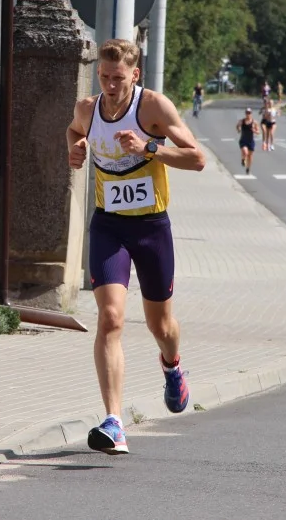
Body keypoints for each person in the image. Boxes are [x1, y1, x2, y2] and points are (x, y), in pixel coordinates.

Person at [67, 39, 206, 455]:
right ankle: (114, 421)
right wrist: (74, 149)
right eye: (104, 78)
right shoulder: (87, 109)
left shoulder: (153, 108)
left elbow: (196, 158)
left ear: (135, 75)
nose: (110, 85)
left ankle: (172, 366)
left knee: (160, 326)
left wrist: (149, 147)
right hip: (108, 225)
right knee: (110, 319)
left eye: (118, 78)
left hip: (151, 227)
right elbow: (76, 132)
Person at [236, 108, 259, 174]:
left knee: (250, 156)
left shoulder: (254, 122)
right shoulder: (242, 121)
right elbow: (237, 126)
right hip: (243, 140)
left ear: (251, 114)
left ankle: (248, 168)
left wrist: (254, 131)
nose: (248, 114)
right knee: (245, 152)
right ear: (245, 113)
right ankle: (243, 159)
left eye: (249, 113)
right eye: (247, 113)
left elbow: (258, 132)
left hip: (251, 141)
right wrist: (239, 129)